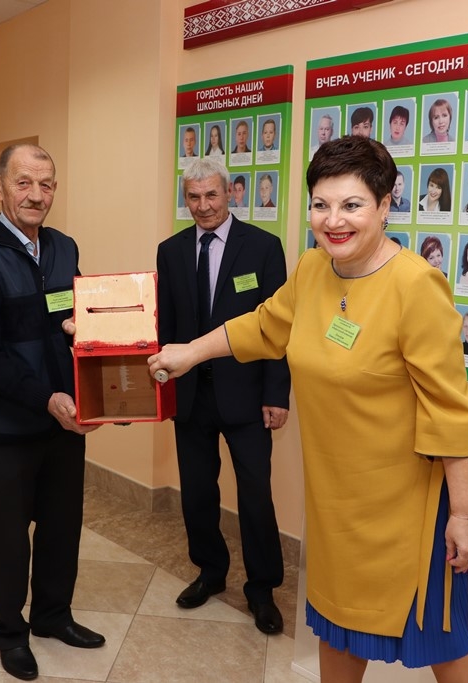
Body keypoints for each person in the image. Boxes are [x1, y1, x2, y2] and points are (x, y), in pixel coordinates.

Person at [149, 136, 468, 683]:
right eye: (321, 205)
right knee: (336, 624)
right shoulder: (313, 268)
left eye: (352, 205)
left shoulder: (416, 285)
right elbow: (264, 325)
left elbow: (450, 410)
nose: (334, 220)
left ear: (385, 203)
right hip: (335, 501)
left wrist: (466, 516)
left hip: (404, 507)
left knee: (439, 637)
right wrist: (190, 352)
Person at [0, 144, 105, 682]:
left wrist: (92, 334)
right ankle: (10, 633)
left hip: (64, 422)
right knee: (7, 537)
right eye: (24, 182)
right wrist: (45, 399)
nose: (36, 195)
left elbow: (75, 314)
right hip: (2, 429)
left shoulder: (64, 248)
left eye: (46, 184)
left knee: (62, 527)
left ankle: (53, 616)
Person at [155, 155, 291, 636]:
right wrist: (160, 384)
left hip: (247, 397)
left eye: (212, 194)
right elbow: (166, 326)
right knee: (196, 493)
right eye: (193, 197)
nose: (203, 206)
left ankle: (262, 589)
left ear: (230, 193)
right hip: (191, 396)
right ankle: (210, 572)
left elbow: (278, 328)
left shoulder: (263, 248)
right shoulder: (170, 251)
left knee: (255, 496)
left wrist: (277, 393)